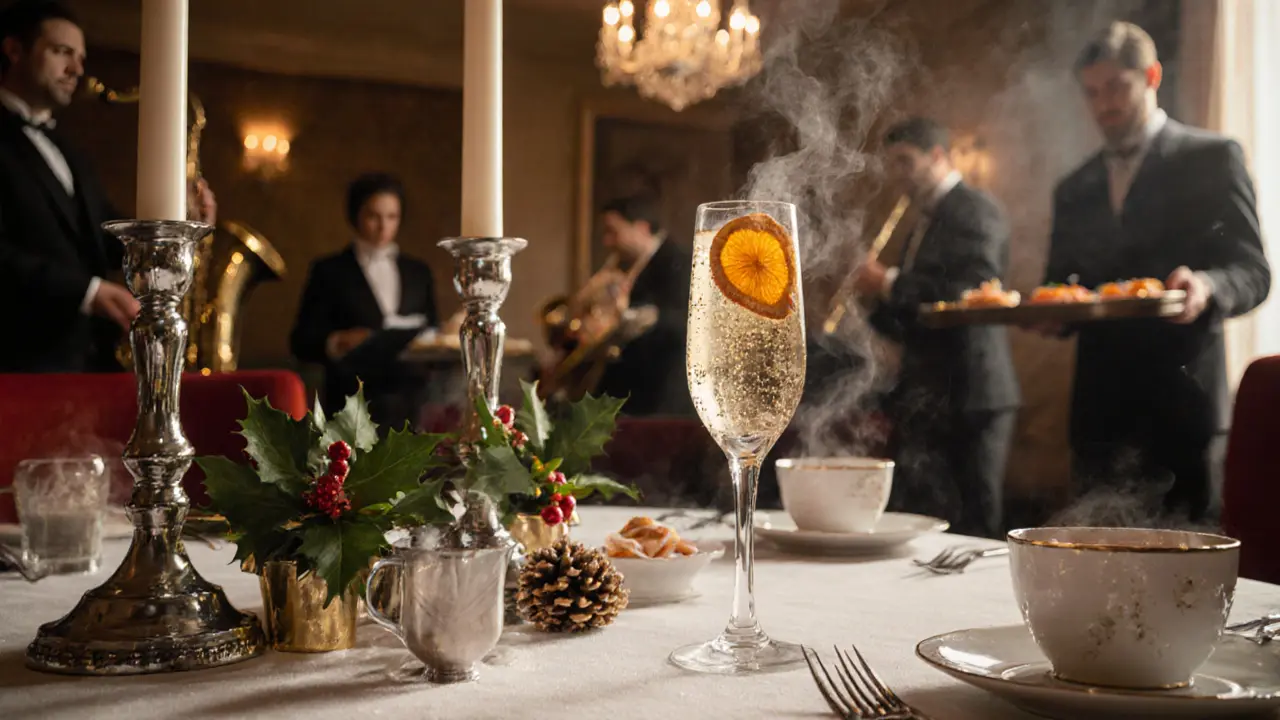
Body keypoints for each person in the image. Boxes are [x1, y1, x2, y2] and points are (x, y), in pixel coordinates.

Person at [1041, 22, 1270, 523]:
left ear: (1152, 76)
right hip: (1099, 413)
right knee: (1094, 564)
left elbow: (1253, 271)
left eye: (1117, 87)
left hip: (1181, 407)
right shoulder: (1073, 187)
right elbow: (1063, 284)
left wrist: (1207, 285)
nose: (1105, 105)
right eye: (1093, 93)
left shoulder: (1212, 158)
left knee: (1185, 572)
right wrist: (1051, 312)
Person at [0, 0, 215, 372]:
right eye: (61, 52)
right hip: (16, 361)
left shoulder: (70, 150)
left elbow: (104, 236)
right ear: (14, 50)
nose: (76, 70)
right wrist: (88, 292)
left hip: (86, 360)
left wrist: (175, 221)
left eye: (81, 58)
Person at [853, 117, 1020, 538]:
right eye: (893, 164)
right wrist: (868, 303)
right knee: (927, 522)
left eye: (906, 162)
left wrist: (887, 281)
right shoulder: (921, 222)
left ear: (938, 156)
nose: (899, 175)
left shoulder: (975, 208)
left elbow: (973, 290)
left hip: (970, 393)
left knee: (975, 525)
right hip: (927, 393)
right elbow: (916, 317)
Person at [290, 173, 439, 431]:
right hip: (350, 405)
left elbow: (432, 328)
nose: (383, 226)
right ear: (355, 215)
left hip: (412, 405)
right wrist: (337, 341)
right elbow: (301, 341)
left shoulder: (418, 271)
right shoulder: (330, 271)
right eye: (373, 216)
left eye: (392, 217)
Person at [593, 194, 693, 416]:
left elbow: (689, 324)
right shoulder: (627, 266)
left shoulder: (679, 262)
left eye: (613, 232)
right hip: (631, 392)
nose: (607, 242)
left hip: (660, 397)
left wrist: (646, 317)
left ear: (641, 227)